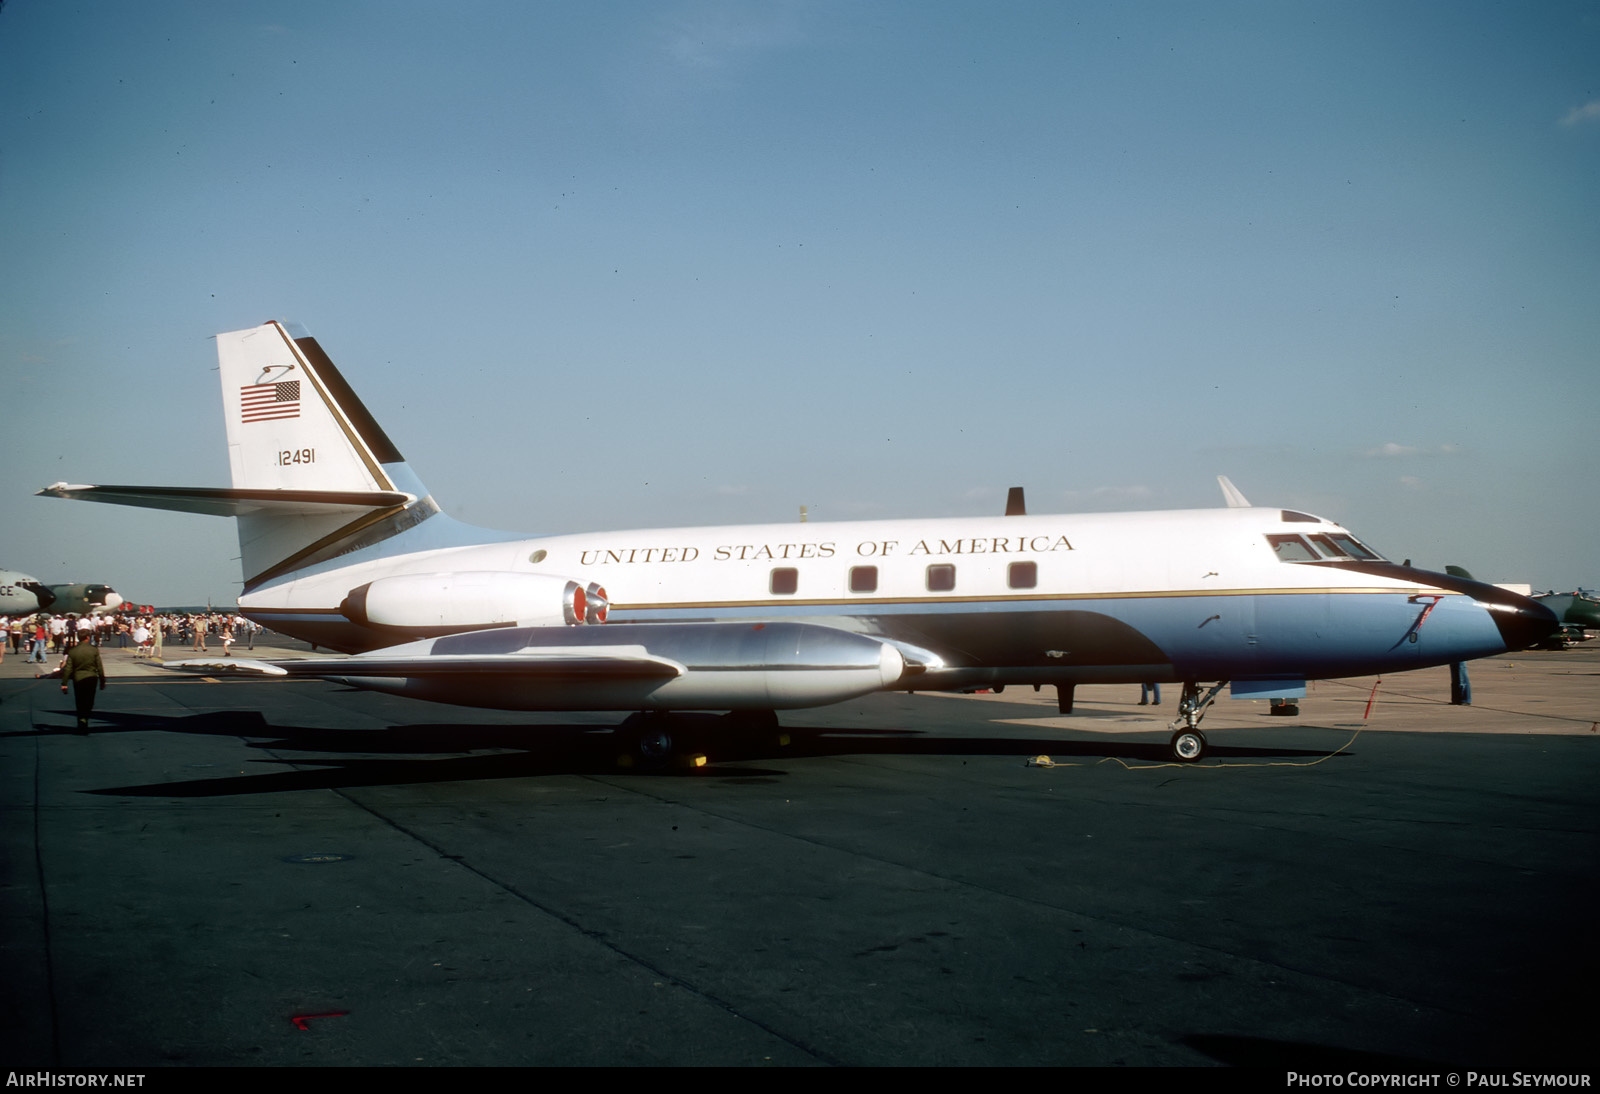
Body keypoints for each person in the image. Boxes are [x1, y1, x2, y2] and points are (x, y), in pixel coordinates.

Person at [60, 632, 108, 734]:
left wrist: (64, 683)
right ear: (87, 637)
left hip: (78, 678)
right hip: (91, 678)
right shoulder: (93, 650)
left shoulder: (73, 651)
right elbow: (99, 666)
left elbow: (68, 668)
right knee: (89, 700)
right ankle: (85, 718)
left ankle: (81, 720)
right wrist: (102, 680)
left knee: (80, 700)